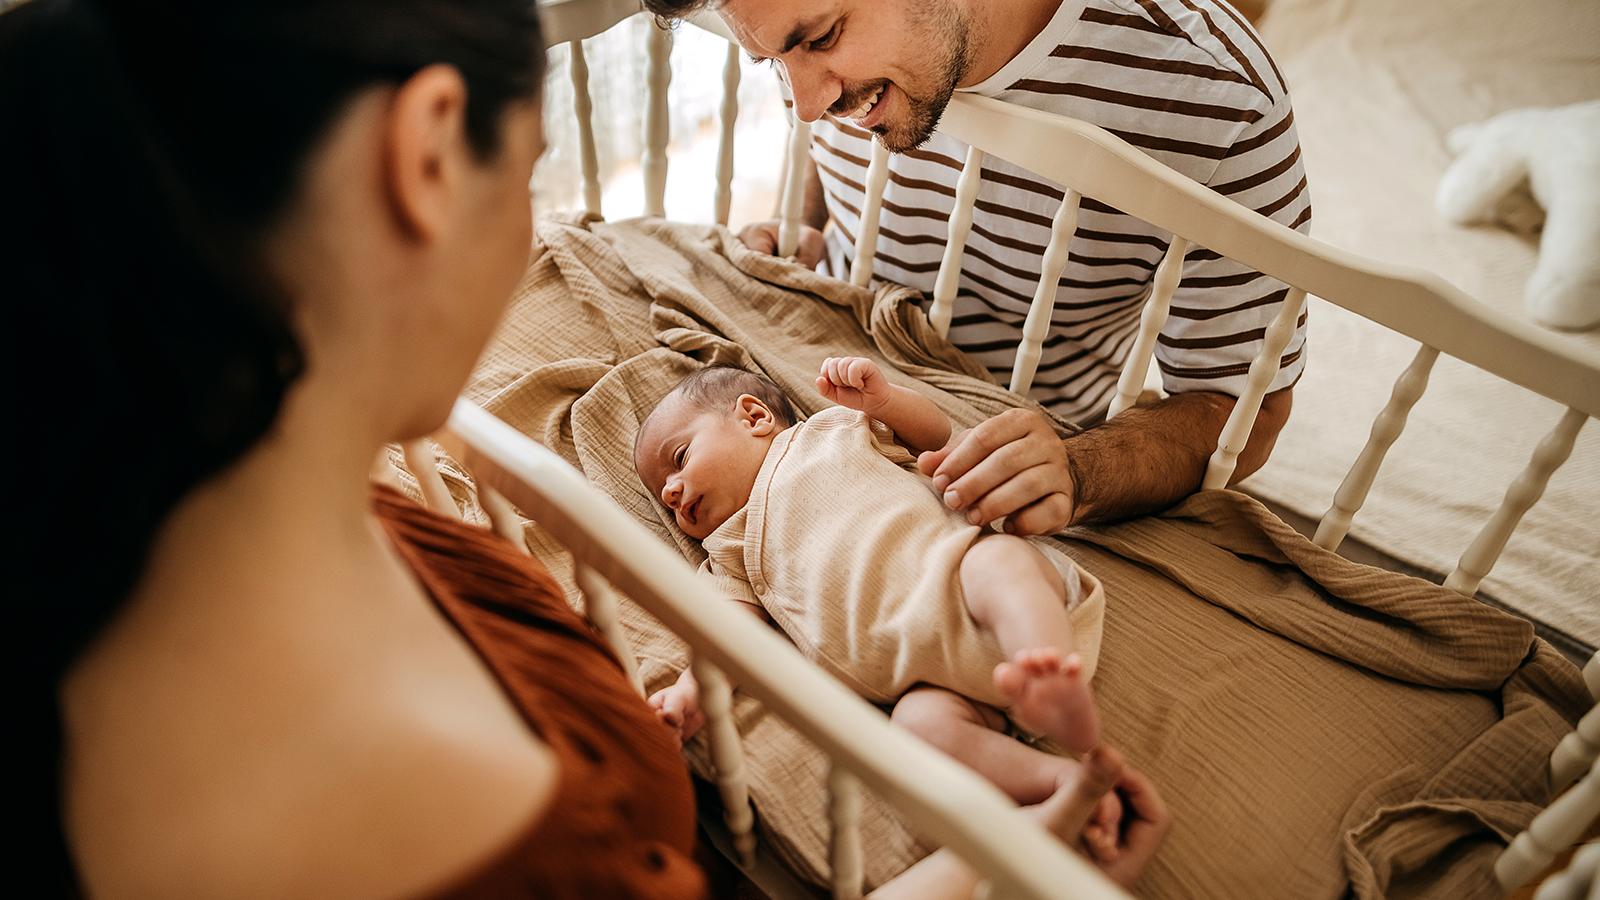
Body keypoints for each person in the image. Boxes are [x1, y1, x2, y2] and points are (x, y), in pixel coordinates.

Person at [5, 0, 1168, 895]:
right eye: (529, 172)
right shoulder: (538, 845)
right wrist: (1006, 861)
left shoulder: (204, 498)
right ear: (425, 158)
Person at [641, 0, 1308, 535]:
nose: (805, 103)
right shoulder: (831, 74)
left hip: (997, 439)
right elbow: (826, 123)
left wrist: (1077, 471)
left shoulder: (1221, 101)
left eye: (820, 38)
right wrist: (814, 231)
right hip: (822, 377)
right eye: (771, 61)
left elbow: (1247, 405)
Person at [635, 362, 1121, 857]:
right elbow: (729, 635)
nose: (672, 492)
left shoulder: (831, 431)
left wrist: (884, 400)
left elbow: (933, 436)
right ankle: (1061, 782)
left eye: (679, 458)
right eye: (663, 498)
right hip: (932, 681)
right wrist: (689, 692)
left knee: (996, 564)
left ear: (755, 416)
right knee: (916, 729)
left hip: (965, 582)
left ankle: (1049, 668)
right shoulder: (727, 550)